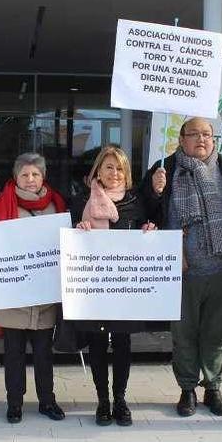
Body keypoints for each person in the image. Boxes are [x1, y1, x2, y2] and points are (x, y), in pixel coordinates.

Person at [140, 117, 222, 417]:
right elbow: (143, 213)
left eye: (207, 134)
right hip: (181, 273)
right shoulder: (164, 169)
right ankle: (187, 389)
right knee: (184, 335)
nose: (201, 139)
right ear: (181, 140)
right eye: (194, 134)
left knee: (217, 335)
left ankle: (213, 387)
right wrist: (154, 192)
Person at [0, 152, 66, 424]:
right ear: (16, 177)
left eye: (35, 174)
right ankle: (14, 403)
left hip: (44, 297)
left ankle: (46, 401)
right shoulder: (0, 205)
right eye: (25, 174)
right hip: (12, 296)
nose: (30, 179)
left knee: (43, 353)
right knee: (13, 353)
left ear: (43, 177)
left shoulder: (57, 205)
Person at [70, 145, 155, 427]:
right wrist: (78, 231)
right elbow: (68, 242)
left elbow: (147, 232)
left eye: (120, 168)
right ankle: (102, 401)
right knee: (96, 342)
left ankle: (120, 399)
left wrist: (148, 232)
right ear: (98, 171)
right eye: (109, 167)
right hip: (93, 287)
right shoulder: (81, 200)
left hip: (125, 289)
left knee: (122, 343)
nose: (115, 173)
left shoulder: (136, 202)